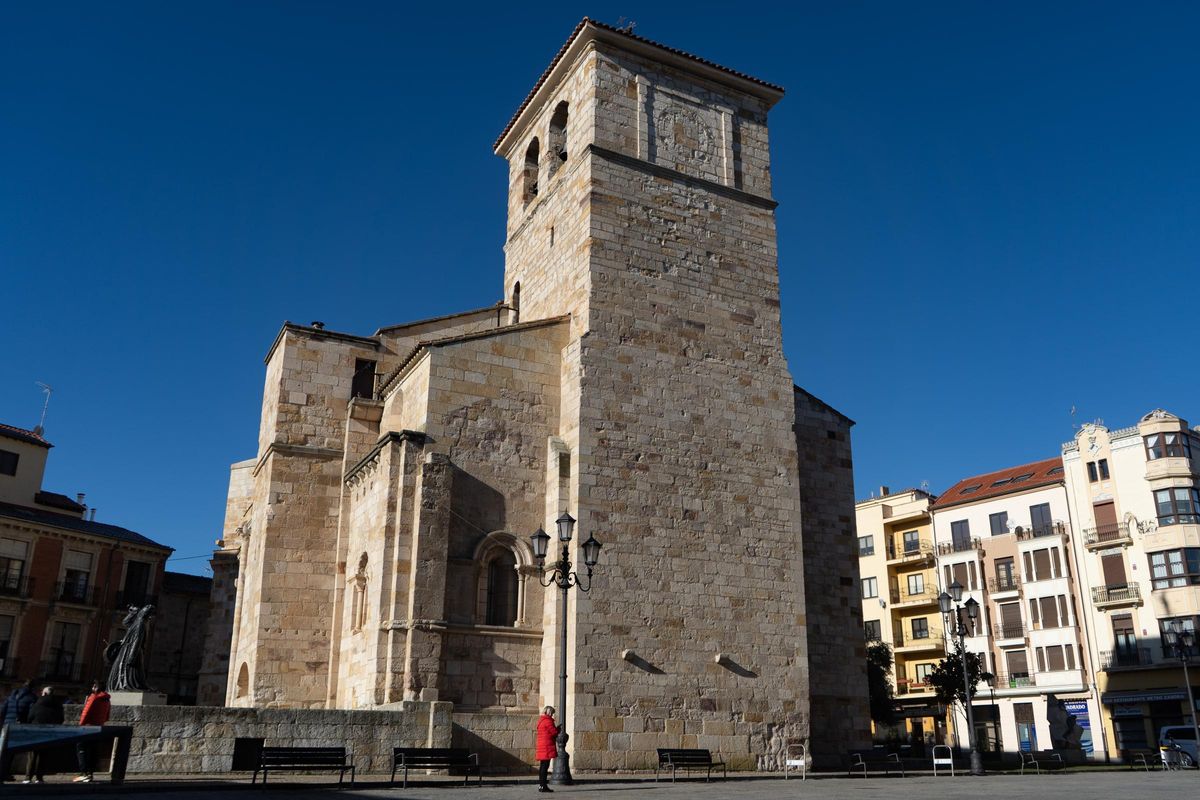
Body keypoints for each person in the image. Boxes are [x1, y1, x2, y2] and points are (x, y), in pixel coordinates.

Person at [23, 686, 65, 784]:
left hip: (36, 731)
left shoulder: (37, 703)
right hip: (50, 732)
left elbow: (30, 717)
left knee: (32, 755)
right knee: (43, 756)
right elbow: (61, 719)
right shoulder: (58, 705)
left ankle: (28, 777)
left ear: (45, 693)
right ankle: (39, 777)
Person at [74, 681, 111, 783]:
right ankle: (90, 773)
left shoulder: (93, 697)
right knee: (93, 751)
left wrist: (81, 724)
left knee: (82, 749)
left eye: (93, 686)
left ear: (96, 687)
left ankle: (83, 773)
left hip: (87, 727)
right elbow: (107, 716)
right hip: (98, 727)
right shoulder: (107, 699)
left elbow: (86, 712)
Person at [535, 706, 559, 793]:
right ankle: (543, 786)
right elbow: (554, 732)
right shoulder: (548, 721)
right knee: (545, 767)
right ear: (549, 712)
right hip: (546, 747)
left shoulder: (541, 721)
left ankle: (541, 785)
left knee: (542, 767)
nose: (552, 715)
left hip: (542, 747)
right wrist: (558, 729)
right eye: (552, 713)